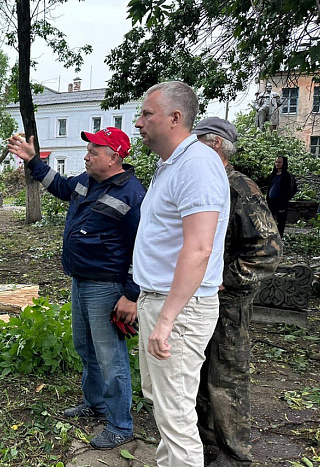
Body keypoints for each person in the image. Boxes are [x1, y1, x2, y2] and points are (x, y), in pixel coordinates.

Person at [7, 127, 145, 450]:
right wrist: (32, 161)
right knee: (87, 349)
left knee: (111, 358)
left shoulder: (131, 194)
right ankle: (94, 404)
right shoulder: (87, 181)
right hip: (80, 281)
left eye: (93, 151)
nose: (86, 156)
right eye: (88, 150)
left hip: (107, 287)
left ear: (114, 158)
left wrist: (131, 294)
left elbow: (142, 248)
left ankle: (120, 425)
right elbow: (60, 186)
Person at [132, 81, 230, 467]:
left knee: (176, 417)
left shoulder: (196, 165)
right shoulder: (171, 163)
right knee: (165, 408)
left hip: (179, 311)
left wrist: (167, 319)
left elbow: (199, 247)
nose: (138, 122)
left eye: (146, 114)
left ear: (175, 118)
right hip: (160, 302)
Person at [192, 117, 282, 467]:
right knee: (199, 371)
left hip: (227, 301)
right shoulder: (206, 183)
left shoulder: (239, 188)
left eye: (195, 141)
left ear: (214, 145)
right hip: (200, 298)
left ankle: (234, 454)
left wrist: (225, 279)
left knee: (226, 376)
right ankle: (205, 440)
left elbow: (268, 250)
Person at [266, 156, 297, 238]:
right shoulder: (273, 175)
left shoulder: (287, 176)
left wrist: (285, 199)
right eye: (276, 162)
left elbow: (293, 189)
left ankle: (279, 238)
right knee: (269, 220)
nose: (277, 164)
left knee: (281, 222)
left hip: (281, 203)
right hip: (271, 202)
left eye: (279, 162)